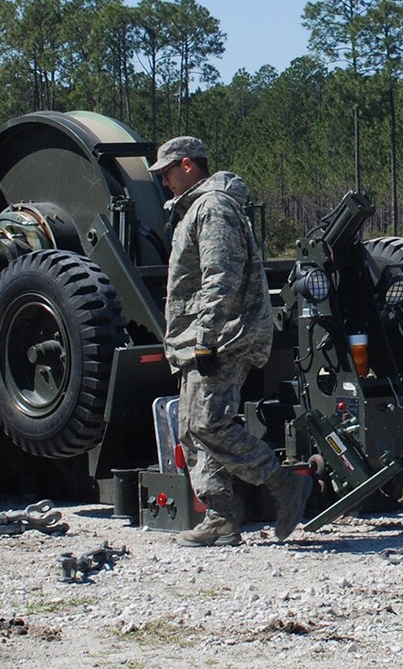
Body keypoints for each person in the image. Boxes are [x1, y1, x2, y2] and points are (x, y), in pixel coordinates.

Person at [150, 135, 310, 547]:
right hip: (197, 339)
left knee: (209, 422)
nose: (164, 182)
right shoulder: (195, 210)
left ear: (188, 165)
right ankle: (220, 517)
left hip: (221, 337)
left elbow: (220, 275)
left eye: (167, 172)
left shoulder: (212, 207)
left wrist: (205, 337)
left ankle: (282, 483)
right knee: (190, 429)